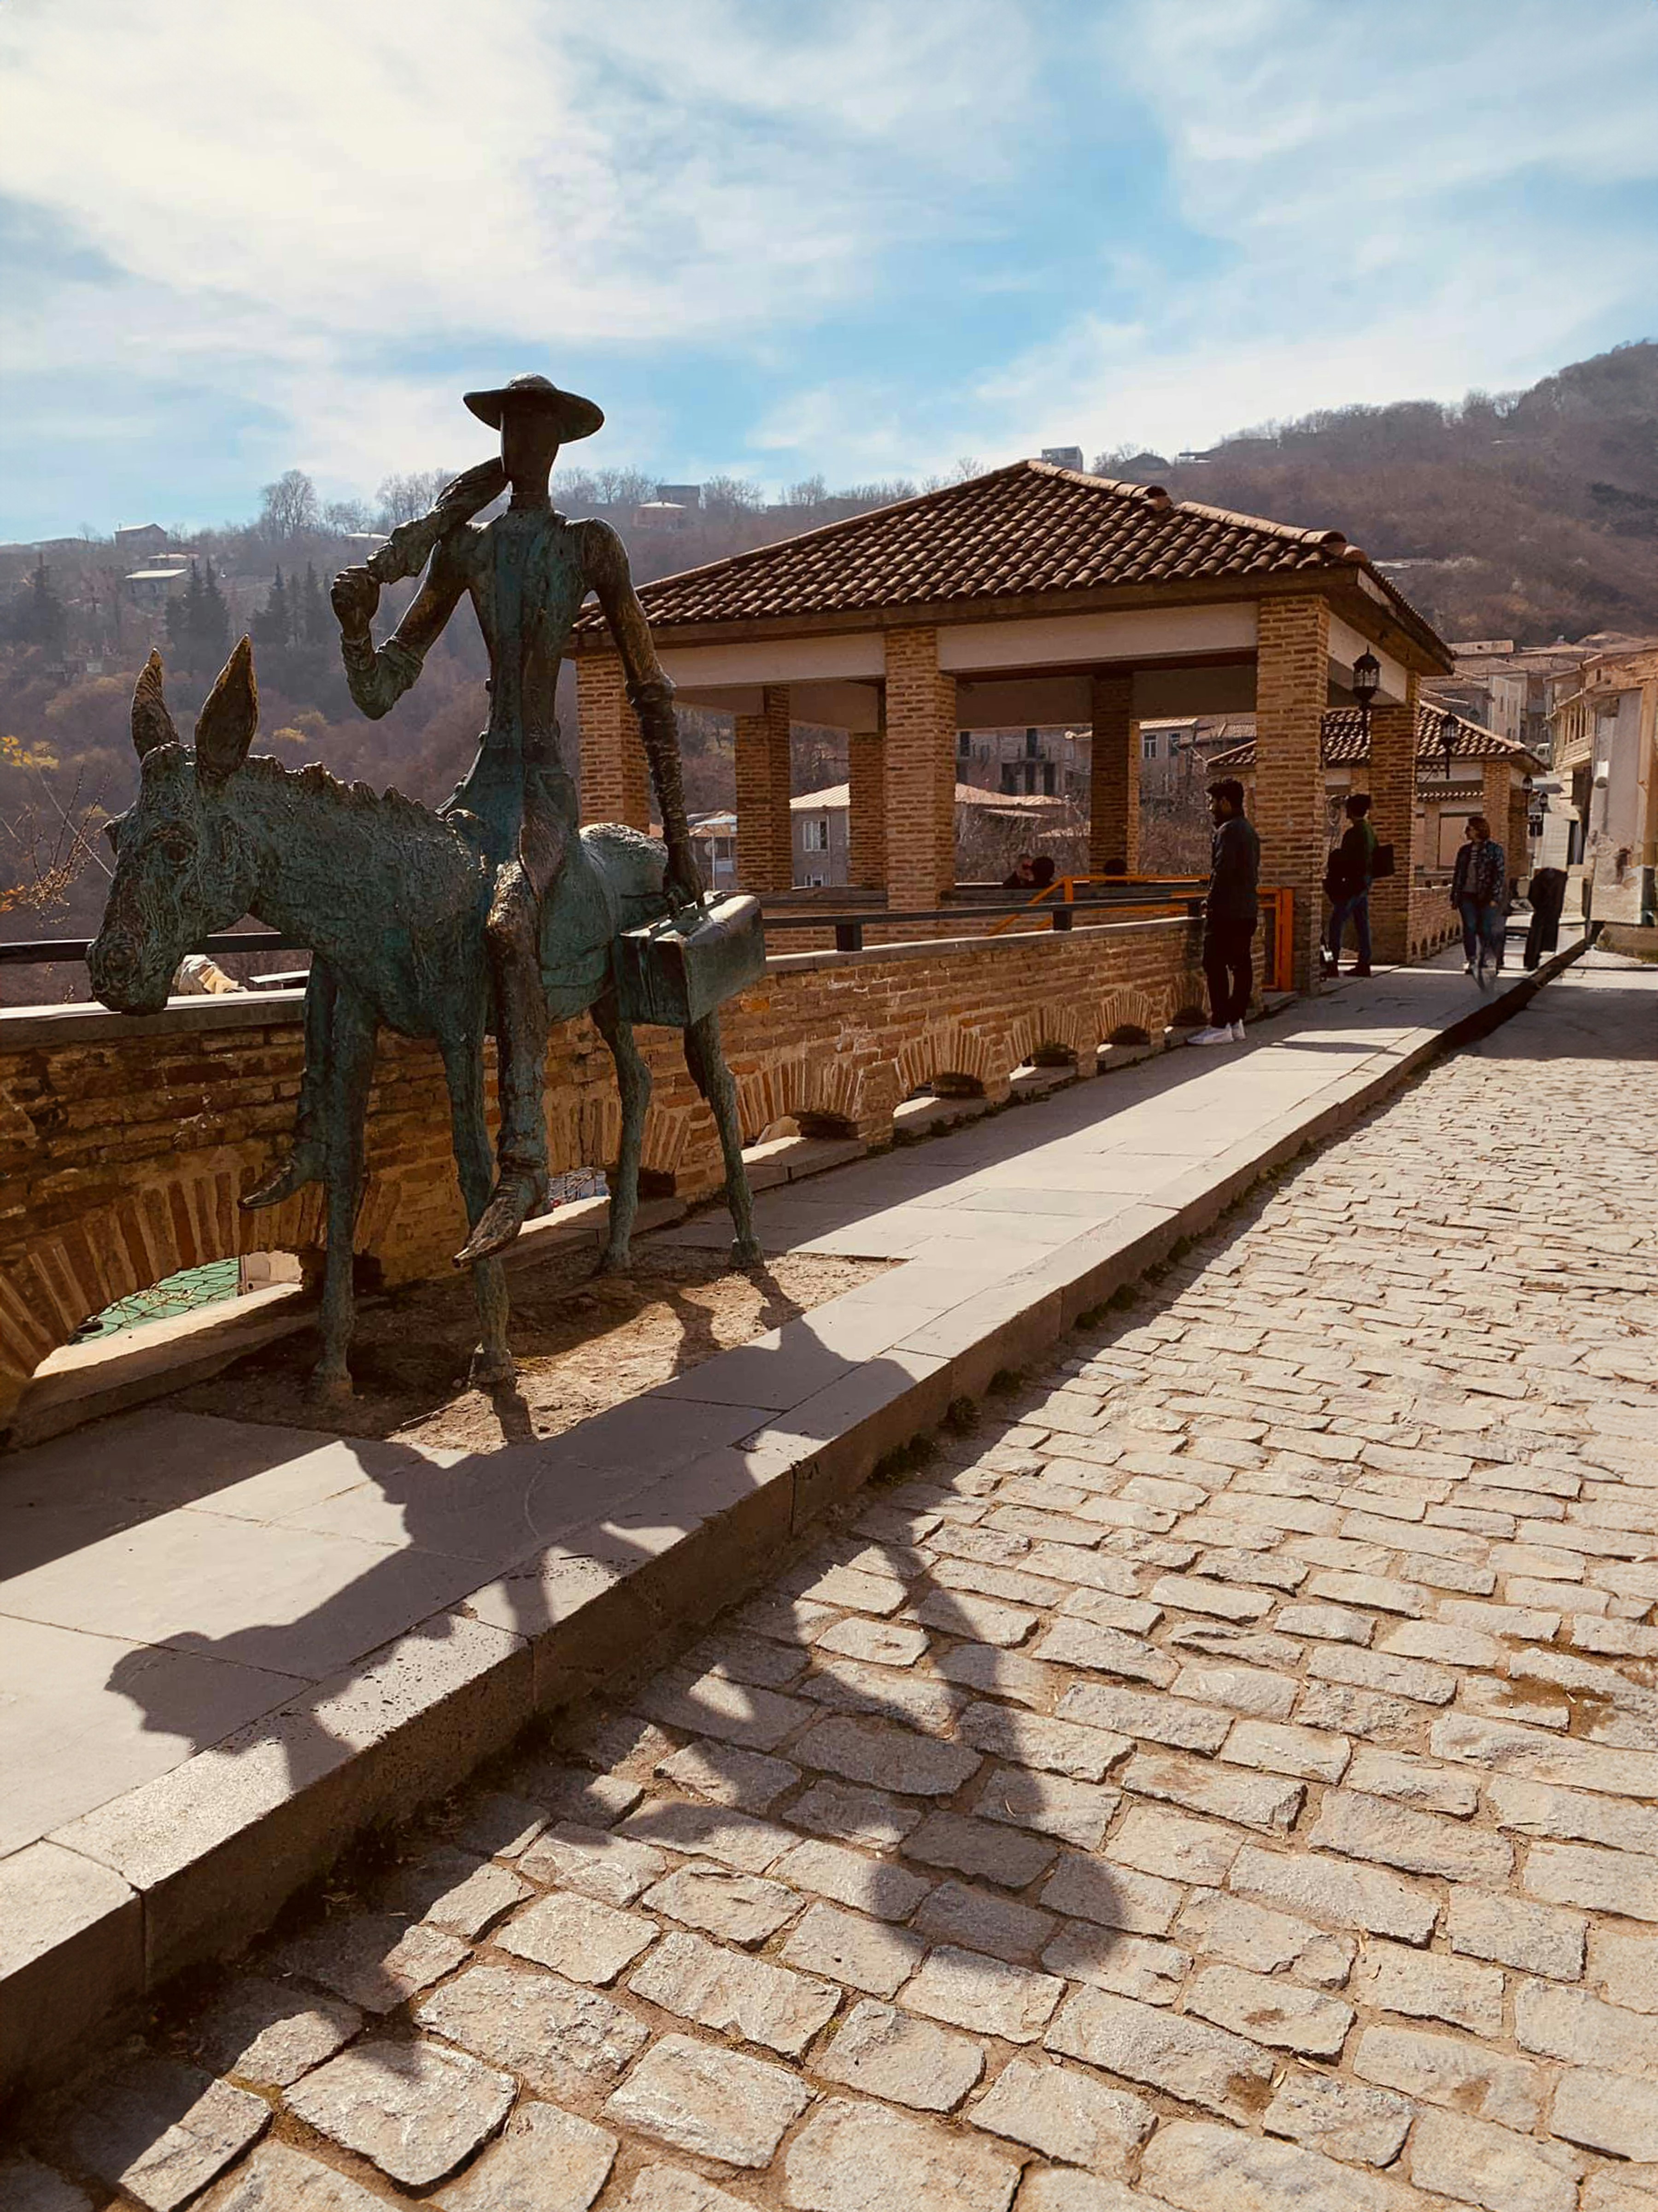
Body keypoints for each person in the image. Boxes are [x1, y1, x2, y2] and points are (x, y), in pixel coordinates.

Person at [326, 372, 703, 1260]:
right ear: (499, 440)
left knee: (506, 913)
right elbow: (381, 690)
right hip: (482, 779)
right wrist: (353, 624)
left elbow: (651, 687)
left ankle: (524, 1150)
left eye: (536, 428)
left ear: (559, 443)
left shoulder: (590, 547)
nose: (522, 441)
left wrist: (682, 841)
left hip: (539, 787)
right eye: (510, 426)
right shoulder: (465, 551)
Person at [1189, 777, 1260, 1045]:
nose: (1210, 808)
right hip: (1247, 909)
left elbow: (1223, 872)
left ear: (1225, 803)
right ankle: (1235, 1021)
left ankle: (1220, 1023)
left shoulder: (1228, 831)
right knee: (1242, 965)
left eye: (1213, 802)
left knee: (1214, 964)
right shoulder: (1249, 831)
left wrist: (1211, 902)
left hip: (1227, 912)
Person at [1322, 792, 1377, 977]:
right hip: (1364, 882)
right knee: (1362, 923)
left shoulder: (1355, 833)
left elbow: (1346, 860)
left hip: (1353, 884)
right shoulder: (1369, 831)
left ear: (1351, 810)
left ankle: (1332, 963)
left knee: (1336, 923)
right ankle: (1365, 963)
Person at [1450, 814, 1507, 975]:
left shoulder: (1495, 850)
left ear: (1478, 830)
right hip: (1466, 895)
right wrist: (1455, 896)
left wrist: (1495, 897)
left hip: (1486, 896)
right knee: (1469, 927)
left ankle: (1488, 958)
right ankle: (1471, 959)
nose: (1467, 832)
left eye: (1470, 829)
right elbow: (1458, 875)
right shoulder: (1464, 851)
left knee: (1485, 928)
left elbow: (1499, 874)